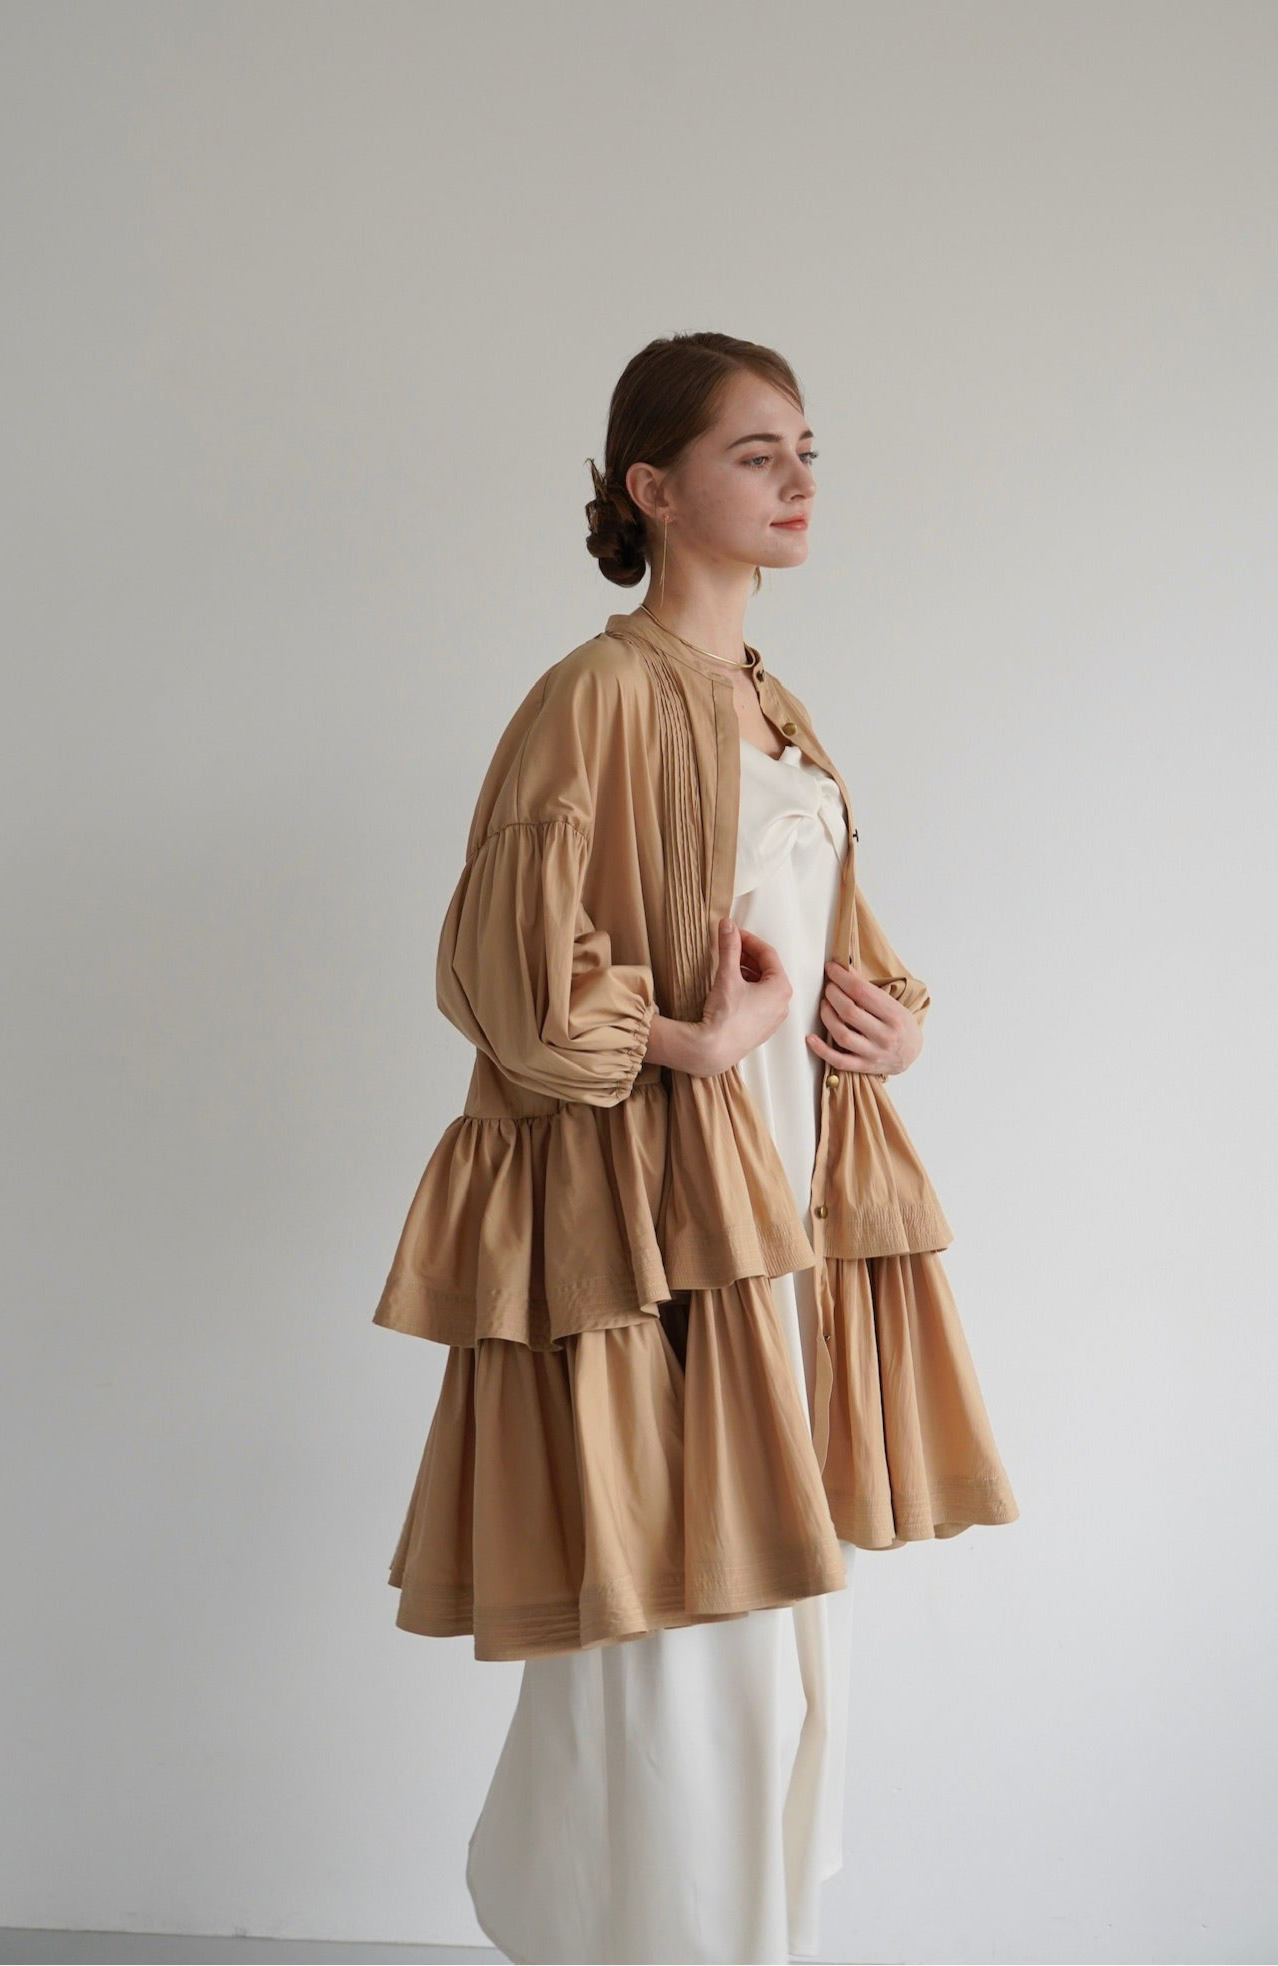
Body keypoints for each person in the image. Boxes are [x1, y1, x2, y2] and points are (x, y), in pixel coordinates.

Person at [371, 332, 1019, 1966]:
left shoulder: (773, 704)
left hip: (779, 1212)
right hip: (660, 1222)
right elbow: (505, 975)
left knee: (771, 1631)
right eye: (755, 452)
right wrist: (687, 1045)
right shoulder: (593, 696)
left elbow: (828, 945)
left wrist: (890, 1025)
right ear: (652, 489)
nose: (799, 480)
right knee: (687, 1627)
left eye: (806, 448)